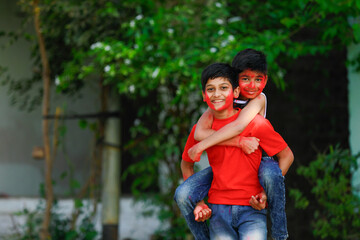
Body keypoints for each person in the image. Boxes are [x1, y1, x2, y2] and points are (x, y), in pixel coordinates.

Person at [174, 49, 294, 240]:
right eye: (245, 78)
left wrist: (263, 193)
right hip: (220, 196)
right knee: (183, 194)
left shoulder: (257, 103)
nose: (252, 85)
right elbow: (199, 133)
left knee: (272, 176)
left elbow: (239, 126)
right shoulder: (217, 105)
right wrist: (199, 202)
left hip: (261, 161)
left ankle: (280, 234)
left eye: (258, 79)